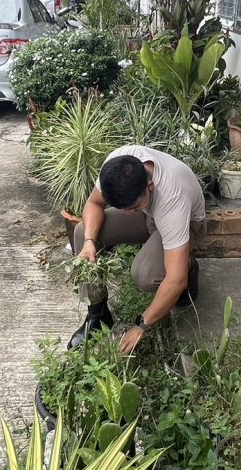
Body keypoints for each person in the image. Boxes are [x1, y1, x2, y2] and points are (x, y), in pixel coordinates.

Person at [69, 145, 206, 354]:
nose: (127, 213)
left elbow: (176, 280)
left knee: (146, 275)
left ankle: (188, 265)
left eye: (132, 207)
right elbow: (94, 203)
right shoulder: (117, 166)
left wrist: (141, 326)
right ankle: (98, 314)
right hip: (148, 213)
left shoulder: (172, 198)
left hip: (186, 223)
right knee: (81, 233)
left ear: (149, 186)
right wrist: (89, 242)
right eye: (123, 209)